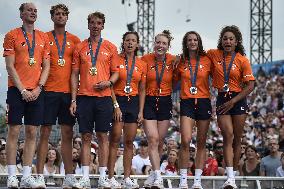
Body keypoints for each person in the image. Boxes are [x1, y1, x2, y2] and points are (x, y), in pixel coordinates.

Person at [70, 11, 119, 188]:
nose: (95, 26)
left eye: (99, 23)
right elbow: (74, 74)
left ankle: (103, 177)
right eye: (92, 23)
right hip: (84, 97)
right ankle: (84, 176)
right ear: (88, 25)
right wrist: (74, 100)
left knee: (103, 137)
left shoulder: (110, 47)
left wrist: (108, 82)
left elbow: (116, 72)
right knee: (85, 137)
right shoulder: (79, 47)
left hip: (104, 98)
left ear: (103, 26)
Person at [3, 2, 50, 188]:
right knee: (14, 131)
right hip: (17, 90)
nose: (33, 13)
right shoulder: (11, 35)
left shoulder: (43, 36)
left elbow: (46, 66)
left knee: (32, 132)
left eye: (35, 11)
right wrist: (22, 89)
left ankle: (26, 176)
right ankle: (12, 175)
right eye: (29, 10)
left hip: (37, 91)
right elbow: (9, 66)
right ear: (21, 14)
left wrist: (38, 88)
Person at [36, 4, 80, 188]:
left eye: (63, 14)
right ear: (52, 17)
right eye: (57, 14)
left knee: (67, 135)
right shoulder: (44, 37)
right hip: (48, 92)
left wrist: (74, 98)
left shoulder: (75, 40)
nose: (60, 16)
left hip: (67, 93)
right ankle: (38, 176)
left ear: (67, 17)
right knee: (44, 133)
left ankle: (69, 176)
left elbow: (76, 71)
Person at [207, 25, 255, 189]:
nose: (227, 41)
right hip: (222, 98)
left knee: (237, 139)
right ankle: (230, 176)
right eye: (225, 38)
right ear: (221, 41)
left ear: (236, 42)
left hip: (238, 99)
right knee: (227, 135)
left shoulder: (242, 59)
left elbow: (250, 86)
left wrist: (234, 101)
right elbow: (196, 54)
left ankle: (233, 173)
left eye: (231, 39)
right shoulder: (214, 54)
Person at [107, 31, 146, 189]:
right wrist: (115, 105)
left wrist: (141, 111)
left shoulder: (141, 63)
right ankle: (110, 177)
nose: (130, 43)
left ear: (137, 44)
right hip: (119, 100)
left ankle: (127, 178)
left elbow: (142, 89)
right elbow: (110, 85)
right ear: (123, 42)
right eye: (127, 40)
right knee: (115, 139)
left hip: (134, 102)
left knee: (129, 142)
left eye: (133, 41)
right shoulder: (115, 59)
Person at [173, 31, 212, 189]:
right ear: (185, 43)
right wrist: (175, 60)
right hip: (187, 102)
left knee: (201, 143)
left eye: (195, 39)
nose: (192, 42)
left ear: (199, 41)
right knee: (185, 141)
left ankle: (197, 180)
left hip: (203, 101)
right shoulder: (181, 60)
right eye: (189, 40)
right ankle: (183, 179)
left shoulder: (207, 59)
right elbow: (173, 79)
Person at [141, 30, 176, 189]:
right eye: (158, 42)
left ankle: (153, 174)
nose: (160, 45)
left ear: (168, 46)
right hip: (148, 100)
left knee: (159, 142)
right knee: (153, 139)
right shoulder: (145, 59)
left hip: (165, 101)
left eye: (164, 43)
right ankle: (158, 177)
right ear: (154, 43)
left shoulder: (174, 60)